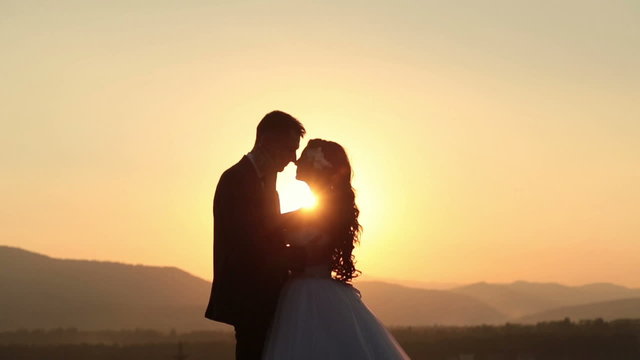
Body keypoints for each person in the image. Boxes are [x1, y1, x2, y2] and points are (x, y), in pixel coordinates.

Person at [262, 139, 411, 360]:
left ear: (316, 165)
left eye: (302, 158)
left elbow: (313, 255)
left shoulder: (326, 211)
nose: (295, 162)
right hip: (305, 290)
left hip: (309, 295)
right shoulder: (311, 210)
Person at [204, 110, 306, 360]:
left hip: (266, 295)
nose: (293, 159)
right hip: (248, 297)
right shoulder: (235, 179)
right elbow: (249, 241)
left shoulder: (268, 184)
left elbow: (267, 230)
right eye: (289, 148)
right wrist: (301, 247)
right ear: (268, 141)